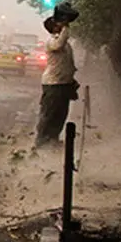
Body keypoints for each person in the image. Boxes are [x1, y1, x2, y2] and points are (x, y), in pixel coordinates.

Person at [35, 13, 77, 148]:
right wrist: (65, 26)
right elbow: (59, 44)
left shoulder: (66, 44)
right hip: (53, 84)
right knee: (49, 113)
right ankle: (41, 142)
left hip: (64, 84)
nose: (61, 25)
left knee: (61, 115)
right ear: (53, 28)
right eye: (57, 24)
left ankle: (53, 140)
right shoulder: (52, 41)